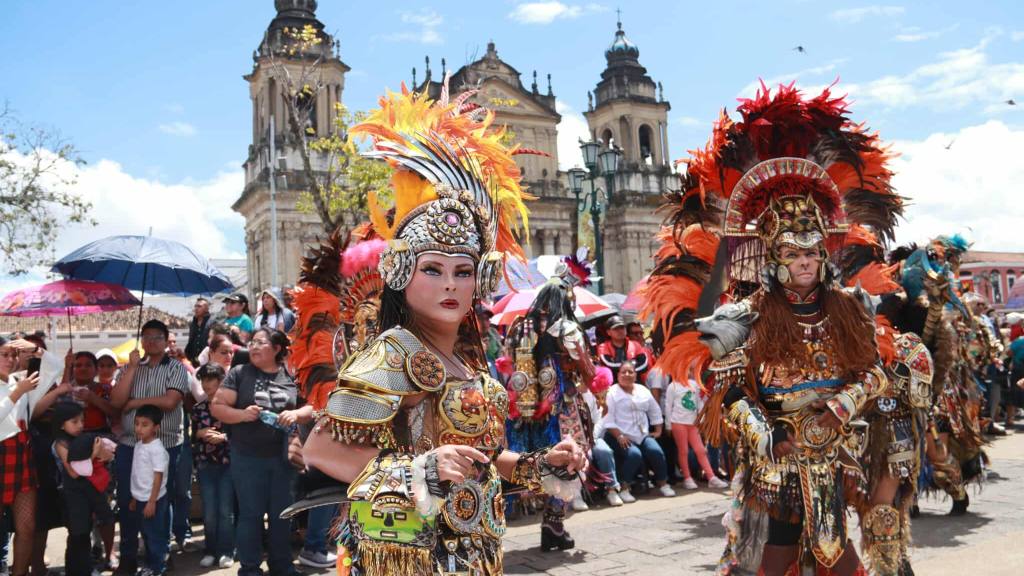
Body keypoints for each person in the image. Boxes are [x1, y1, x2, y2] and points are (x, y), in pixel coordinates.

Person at [300, 84, 585, 575]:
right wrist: (416, 473)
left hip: (475, 552)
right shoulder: (393, 352)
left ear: (483, 278)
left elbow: (482, 462)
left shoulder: (468, 359)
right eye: (433, 269)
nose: (450, 285)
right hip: (409, 555)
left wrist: (543, 467)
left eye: (463, 271)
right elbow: (320, 449)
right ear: (401, 273)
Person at [643, 83, 895, 574]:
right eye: (793, 254)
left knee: (836, 552)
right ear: (774, 257)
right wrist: (770, 437)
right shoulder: (745, 314)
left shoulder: (848, 306)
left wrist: (838, 411)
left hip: (835, 450)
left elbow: (876, 373)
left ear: (823, 254)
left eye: (811, 253)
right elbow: (732, 393)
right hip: (774, 460)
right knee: (774, 554)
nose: (804, 263)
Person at [505, 252, 598, 547]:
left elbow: (508, 361)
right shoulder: (567, 328)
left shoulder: (519, 326)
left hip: (526, 409)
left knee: (537, 461)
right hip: (563, 408)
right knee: (570, 460)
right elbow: (589, 373)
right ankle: (554, 524)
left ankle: (544, 521)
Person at [211, 327, 309, 576]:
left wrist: (296, 414)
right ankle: (250, 568)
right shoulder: (239, 373)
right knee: (250, 516)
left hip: (283, 459)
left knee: (282, 516)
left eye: (260, 343)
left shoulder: (292, 375)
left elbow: (314, 406)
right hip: (247, 458)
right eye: (252, 342)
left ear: (277, 349)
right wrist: (242, 415)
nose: (253, 347)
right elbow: (218, 406)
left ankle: (282, 566)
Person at [109, 320, 190, 576]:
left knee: (158, 502)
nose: (151, 341)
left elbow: (170, 401)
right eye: (146, 336)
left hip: (163, 445)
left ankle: (159, 559)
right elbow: (116, 401)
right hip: (131, 445)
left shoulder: (175, 367)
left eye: (157, 337)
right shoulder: (131, 367)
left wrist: (137, 403)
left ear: (167, 341)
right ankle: (129, 557)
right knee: (128, 501)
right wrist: (132, 369)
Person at [0, 340, 59, 576]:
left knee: (27, 526)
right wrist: (17, 392)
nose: (9, 359)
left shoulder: (20, 382)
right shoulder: (19, 386)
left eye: (13, 354)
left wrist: (37, 351)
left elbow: (54, 368)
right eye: (3, 354)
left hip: (21, 455)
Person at [51, 401, 115, 576]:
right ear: (61, 424)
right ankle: (76, 570)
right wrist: (94, 454)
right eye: (74, 422)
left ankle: (85, 569)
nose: (80, 426)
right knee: (78, 535)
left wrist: (102, 453)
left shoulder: (85, 438)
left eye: (81, 421)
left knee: (86, 531)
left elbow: (108, 455)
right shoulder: (61, 444)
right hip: (72, 495)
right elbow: (73, 473)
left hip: (90, 492)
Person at [603, 360, 674, 500]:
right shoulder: (611, 392)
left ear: (635, 375)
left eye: (631, 372)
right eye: (624, 372)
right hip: (619, 435)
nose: (627, 374)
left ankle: (663, 483)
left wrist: (658, 430)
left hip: (642, 435)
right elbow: (607, 420)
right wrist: (620, 436)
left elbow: (654, 410)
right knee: (634, 455)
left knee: (656, 451)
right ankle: (624, 487)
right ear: (618, 375)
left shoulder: (642, 390)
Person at [191, 364, 234, 569]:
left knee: (226, 510)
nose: (207, 385)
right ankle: (210, 550)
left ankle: (226, 551)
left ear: (221, 381)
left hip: (228, 464)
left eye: (211, 379)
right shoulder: (197, 409)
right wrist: (201, 434)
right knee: (209, 510)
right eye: (204, 380)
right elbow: (193, 436)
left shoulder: (232, 407)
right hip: (205, 464)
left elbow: (239, 435)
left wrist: (223, 437)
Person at [128, 405, 170, 576]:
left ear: (156, 427)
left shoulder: (157, 449)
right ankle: (150, 565)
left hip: (154, 500)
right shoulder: (139, 445)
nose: (139, 428)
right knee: (145, 534)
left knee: (154, 535)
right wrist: (135, 497)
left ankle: (158, 568)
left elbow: (158, 477)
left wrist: (152, 501)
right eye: (137, 423)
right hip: (141, 498)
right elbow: (137, 473)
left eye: (145, 424)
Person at [664, 378, 728, 489]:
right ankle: (687, 478)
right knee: (683, 451)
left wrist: (702, 419)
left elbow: (699, 402)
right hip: (678, 422)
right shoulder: (672, 386)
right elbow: (668, 406)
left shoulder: (694, 384)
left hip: (693, 423)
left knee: (701, 450)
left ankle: (711, 477)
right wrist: (668, 425)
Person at [66, 352, 117, 435]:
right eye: (78, 365)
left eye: (88, 365)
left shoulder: (106, 388)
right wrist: (67, 367)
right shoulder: (66, 389)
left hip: (100, 434)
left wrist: (93, 398)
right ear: (72, 370)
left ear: (96, 370)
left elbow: (115, 413)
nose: (83, 368)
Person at [597, 315, 649, 382]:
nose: (620, 331)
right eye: (616, 329)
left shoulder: (635, 345)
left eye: (622, 328)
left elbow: (644, 365)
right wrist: (633, 363)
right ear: (608, 332)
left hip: (635, 383)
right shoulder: (603, 347)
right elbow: (609, 365)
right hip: (614, 385)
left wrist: (626, 372)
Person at [185, 298, 213, 366]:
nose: (196, 308)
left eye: (199, 306)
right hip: (193, 359)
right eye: (195, 306)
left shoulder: (212, 322)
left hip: (207, 359)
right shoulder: (193, 323)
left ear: (206, 309)